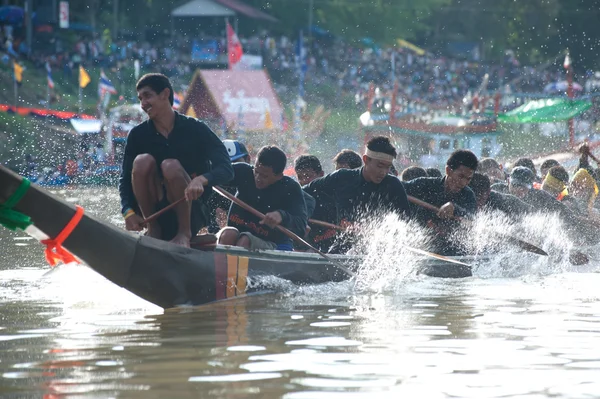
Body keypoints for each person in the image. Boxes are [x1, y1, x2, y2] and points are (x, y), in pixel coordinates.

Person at [119, 73, 234, 248]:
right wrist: (128, 212)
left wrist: (201, 180)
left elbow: (226, 169)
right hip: (155, 213)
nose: (143, 104)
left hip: (193, 212)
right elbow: (125, 179)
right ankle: (154, 229)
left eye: (148, 96)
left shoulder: (196, 129)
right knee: (142, 161)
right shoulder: (137, 135)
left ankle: (184, 233)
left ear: (165, 94)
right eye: (140, 98)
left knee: (170, 166)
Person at [304, 136, 410, 253]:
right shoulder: (342, 177)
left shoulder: (393, 185)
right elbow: (302, 192)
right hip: (339, 247)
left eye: (387, 167)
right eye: (380, 166)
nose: (383, 172)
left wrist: (383, 232)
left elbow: (405, 222)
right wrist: (300, 217)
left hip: (376, 250)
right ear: (366, 160)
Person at [218, 146, 308, 251]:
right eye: (256, 172)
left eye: (264, 176)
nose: (258, 178)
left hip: (270, 242)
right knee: (228, 234)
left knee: (245, 240)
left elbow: (301, 225)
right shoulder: (244, 171)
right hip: (235, 232)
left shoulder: (290, 188)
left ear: (279, 176)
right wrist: (201, 178)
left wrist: (282, 215)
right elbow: (215, 172)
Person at [403, 149, 479, 255]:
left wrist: (454, 208)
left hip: (452, 253)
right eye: (460, 176)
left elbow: (472, 218)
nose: (463, 183)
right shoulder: (425, 185)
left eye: (468, 179)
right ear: (448, 170)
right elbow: (398, 187)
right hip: (418, 247)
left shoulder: (468, 195)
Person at [206, 139, 250, 234]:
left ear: (248, 160)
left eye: (235, 163)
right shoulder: (209, 189)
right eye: (223, 166)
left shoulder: (256, 186)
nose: (228, 171)